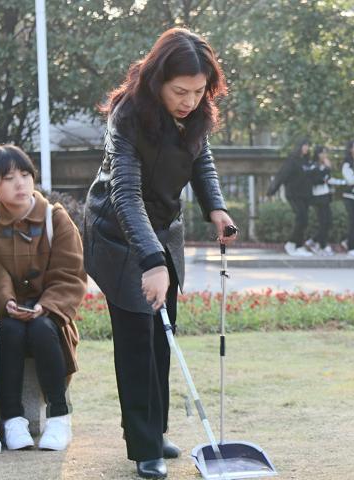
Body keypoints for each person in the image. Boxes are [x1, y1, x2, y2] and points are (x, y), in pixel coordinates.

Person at [83, 27, 236, 479]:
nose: (189, 101)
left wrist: (216, 209)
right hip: (118, 234)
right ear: (157, 81)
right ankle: (143, 445)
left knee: (161, 336)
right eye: (179, 91)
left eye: (198, 91)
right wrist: (150, 262)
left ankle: (156, 430)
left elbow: (201, 159)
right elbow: (125, 195)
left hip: (164, 230)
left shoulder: (196, 113)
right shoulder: (128, 115)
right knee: (136, 338)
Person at [0, 145, 86, 452]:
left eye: (25, 175)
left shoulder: (55, 218)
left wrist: (44, 306)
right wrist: (6, 301)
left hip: (50, 314)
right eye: (9, 178)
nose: (20, 183)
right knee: (9, 330)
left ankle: (59, 417)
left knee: (42, 329)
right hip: (5, 312)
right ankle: (13, 419)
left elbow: (70, 273)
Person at [266, 139, 313, 256]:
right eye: (305, 145)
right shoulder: (292, 161)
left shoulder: (307, 161)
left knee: (305, 220)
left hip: (305, 195)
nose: (307, 148)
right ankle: (291, 244)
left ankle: (299, 246)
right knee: (301, 217)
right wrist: (271, 192)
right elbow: (281, 176)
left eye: (308, 145)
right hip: (294, 194)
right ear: (299, 146)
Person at [304, 145, 341, 256]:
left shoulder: (323, 166)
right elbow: (317, 179)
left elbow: (327, 178)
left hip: (325, 195)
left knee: (328, 221)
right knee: (323, 221)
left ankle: (313, 241)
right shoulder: (313, 166)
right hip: (317, 196)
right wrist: (326, 169)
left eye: (325, 153)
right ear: (317, 154)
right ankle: (322, 245)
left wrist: (327, 170)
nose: (324, 155)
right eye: (322, 153)